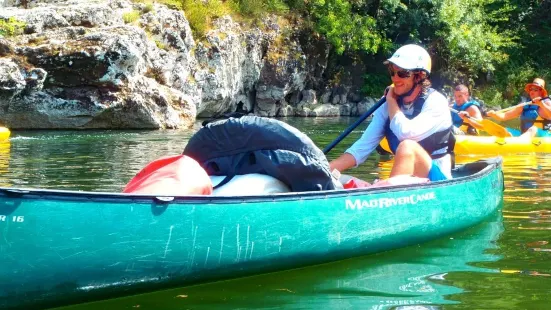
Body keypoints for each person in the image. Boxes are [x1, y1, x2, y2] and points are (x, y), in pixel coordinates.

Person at [329, 44, 454, 181]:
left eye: (403, 73)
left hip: (438, 180)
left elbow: (406, 133)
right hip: (406, 182)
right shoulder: (387, 104)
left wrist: (391, 102)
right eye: (392, 72)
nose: (395, 78)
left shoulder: (436, 102)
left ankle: (390, 193)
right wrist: (326, 169)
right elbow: (362, 147)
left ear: (420, 76)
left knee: (407, 146)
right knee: (334, 178)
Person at [486, 78, 551, 138]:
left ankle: (519, 144)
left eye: (535, 90)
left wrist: (542, 104)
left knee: (533, 129)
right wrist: (494, 114)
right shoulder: (525, 104)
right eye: (531, 89)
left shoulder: (546, 103)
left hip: (543, 136)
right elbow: (505, 116)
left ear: (541, 92)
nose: (532, 92)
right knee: (504, 131)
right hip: (524, 136)